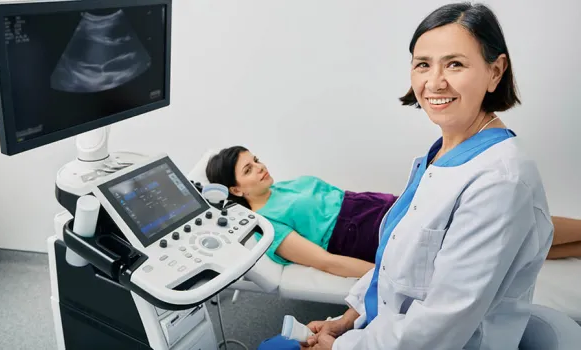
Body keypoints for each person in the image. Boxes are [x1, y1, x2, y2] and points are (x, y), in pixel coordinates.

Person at [257, 2, 566, 349]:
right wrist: (347, 320)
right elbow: (395, 264)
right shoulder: (440, 155)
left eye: (455, 64)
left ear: (495, 72)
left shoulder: (501, 180)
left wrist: (342, 347)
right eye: (423, 64)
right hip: (384, 330)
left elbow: (439, 328)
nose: (434, 81)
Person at [206, 145, 398, 278]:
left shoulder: (279, 187)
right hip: (361, 232)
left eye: (256, 160)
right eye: (248, 170)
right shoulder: (267, 225)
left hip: (372, 204)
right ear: (236, 190)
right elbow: (326, 262)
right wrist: (383, 276)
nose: (260, 167)